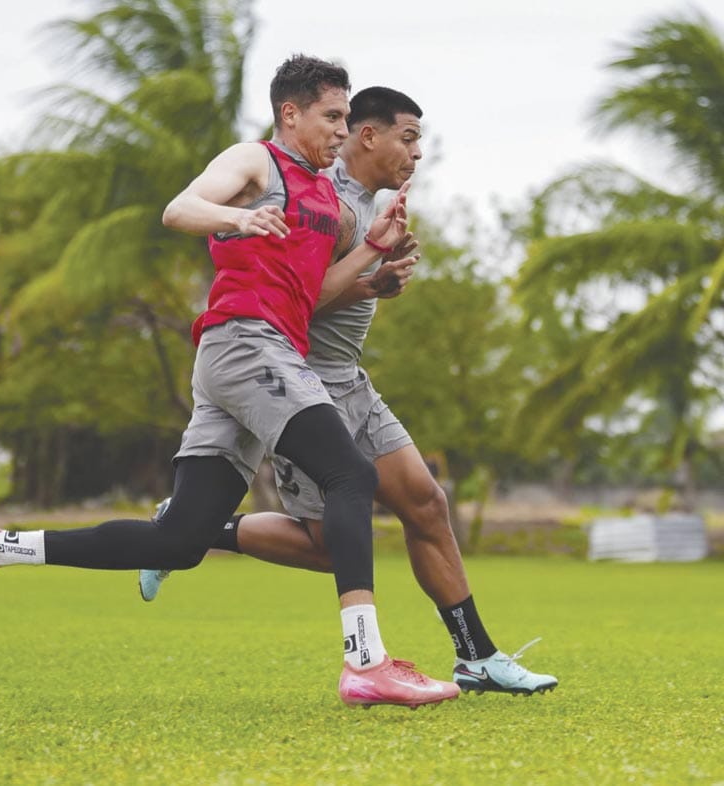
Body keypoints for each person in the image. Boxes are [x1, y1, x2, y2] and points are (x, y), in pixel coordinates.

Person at [0, 55, 459, 710]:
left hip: (256, 353)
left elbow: (307, 296)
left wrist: (372, 252)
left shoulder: (325, 196)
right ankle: (365, 662)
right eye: (332, 116)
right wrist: (238, 218)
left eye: (347, 118)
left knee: (180, 541)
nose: (341, 130)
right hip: (245, 345)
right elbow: (180, 208)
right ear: (290, 113)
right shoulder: (255, 162)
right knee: (350, 474)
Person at [139, 86, 558, 696]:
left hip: (351, 379)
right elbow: (289, 306)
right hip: (298, 381)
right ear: (368, 135)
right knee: (331, 546)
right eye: (408, 138)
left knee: (426, 504)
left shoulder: (366, 202)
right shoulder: (322, 197)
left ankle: (478, 658)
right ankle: (189, 529)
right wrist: (369, 279)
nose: (417, 154)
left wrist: (377, 280)